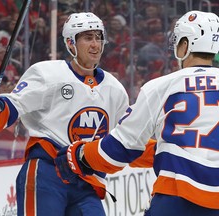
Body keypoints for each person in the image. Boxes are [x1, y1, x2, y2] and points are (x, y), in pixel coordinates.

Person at [55, 10, 219, 216]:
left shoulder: (161, 86)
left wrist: (80, 155)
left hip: (176, 198)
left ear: (185, 45)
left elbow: (122, 146)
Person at [0, 12, 129, 216]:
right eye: (88, 37)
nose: (96, 45)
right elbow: (13, 105)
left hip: (86, 182)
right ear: (71, 43)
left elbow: (128, 136)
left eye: (99, 37)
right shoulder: (48, 75)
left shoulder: (115, 89)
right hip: (46, 174)